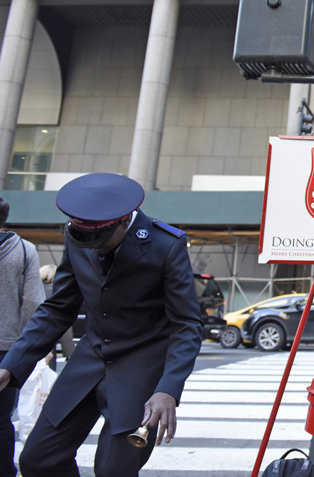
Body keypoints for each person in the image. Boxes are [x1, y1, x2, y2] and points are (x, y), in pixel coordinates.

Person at [0, 173, 204, 477]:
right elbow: (58, 308)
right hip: (87, 364)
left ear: (123, 222)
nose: (93, 248)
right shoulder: (80, 236)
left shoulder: (166, 245)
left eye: (100, 242)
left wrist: (169, 389)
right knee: (38, 459)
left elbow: (186, 324)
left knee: (113, 470)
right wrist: (11, 365)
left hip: (140, 373)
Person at [0, 196, 45, 477]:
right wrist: (27, 348)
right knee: (2, 420)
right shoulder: (25, 250)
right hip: (7, 350)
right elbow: (33, 303)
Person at [39, 264, 75, 366]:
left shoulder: (30, 291)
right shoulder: (56, 293)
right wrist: (69, 352)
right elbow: (63, 324)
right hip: (48, 347)